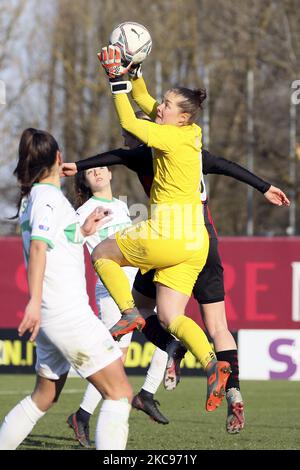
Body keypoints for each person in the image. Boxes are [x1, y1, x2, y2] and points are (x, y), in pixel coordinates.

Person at [61, 117, 289, 435]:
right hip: (206, 241)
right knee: (217, 326)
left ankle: (171, 348)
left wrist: (74, 164)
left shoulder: (148, 153)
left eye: (130, 133)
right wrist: (264, 187)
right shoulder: (192, 152)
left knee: (143, 311)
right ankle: (232, 388)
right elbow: (225, 165)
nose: (127, 137)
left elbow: (114, 155)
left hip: (171, 240)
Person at [91, 45, 232, 415]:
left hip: (167, 233)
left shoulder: (168, 137)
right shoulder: (189, 132)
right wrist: (134, 71)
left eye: (167, 105)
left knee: (101, 253)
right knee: (171, 317)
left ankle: (128, 313)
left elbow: (130, 124)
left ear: (181, 117)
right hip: (194, 242)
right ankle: (211, 363)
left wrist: (116, 81)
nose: (160, 107)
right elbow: (145, 100)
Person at [0, 128, 133, 450]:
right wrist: (33, 302)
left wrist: (84, 230)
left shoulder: (36, 197)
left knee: (43, 396)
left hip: (52, 316)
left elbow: (56, 242)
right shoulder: (47, 198)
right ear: (58, 159)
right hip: (65, 314)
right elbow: (38, 250)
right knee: (119, 394)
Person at [67, 164, 169, 448]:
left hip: (137, 286)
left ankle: (146, 394)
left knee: (167, 334)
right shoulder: (81, 213)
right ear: (85, 181)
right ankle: (82, 416)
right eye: (90, 172)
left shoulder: (123, 207)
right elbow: (70, 245)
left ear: (111, 174)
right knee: (115, 361)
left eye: (101, 169)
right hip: (111, 290)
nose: (97, 173)